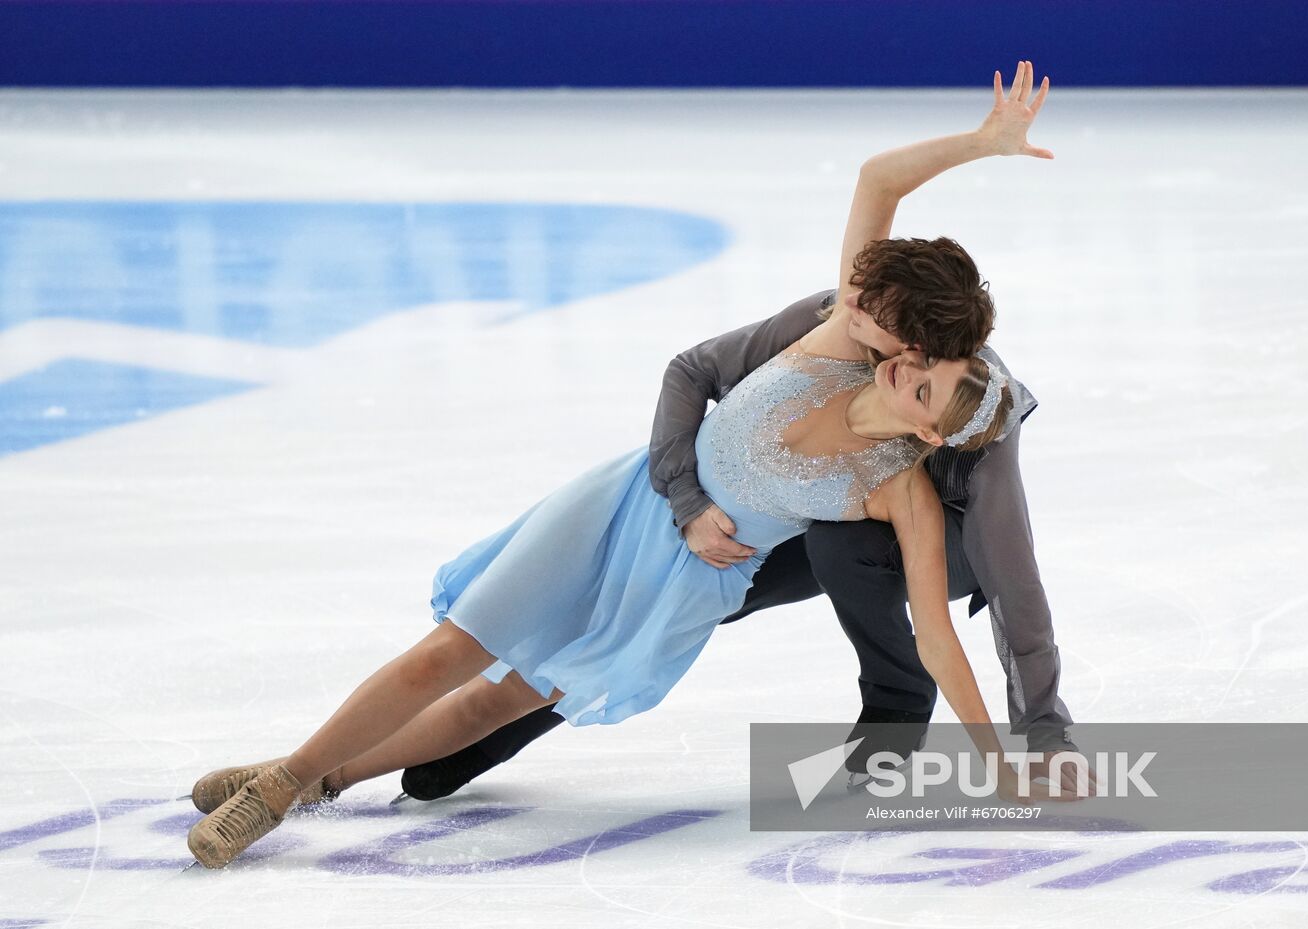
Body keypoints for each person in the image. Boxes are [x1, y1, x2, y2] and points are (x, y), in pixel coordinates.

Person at [185, 62, 1071, 870]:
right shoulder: (845, 326)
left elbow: (940, 632)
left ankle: (317, 780)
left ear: (924, 408)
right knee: (451, 652)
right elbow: (877, 181)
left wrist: (999, 756)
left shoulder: (896, 483)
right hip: (624, 505)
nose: (899, 365)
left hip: (684, 586)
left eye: (923, 382)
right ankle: (279, 784)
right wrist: (983, 144)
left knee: (496, 705)